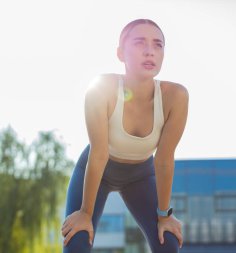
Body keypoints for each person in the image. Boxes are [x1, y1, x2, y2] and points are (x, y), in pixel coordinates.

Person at [61, 19, 188, 253]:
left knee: (167, 243)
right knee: (77, 241)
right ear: (120, 53)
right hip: (96, 169)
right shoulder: (101, 88)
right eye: (140, 42)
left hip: (140, 175)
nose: (150, 50)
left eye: (158, 45)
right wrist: (85, 214)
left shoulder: (175, 96)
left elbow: (163, 160)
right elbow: (99, 155)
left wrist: (164, 215)